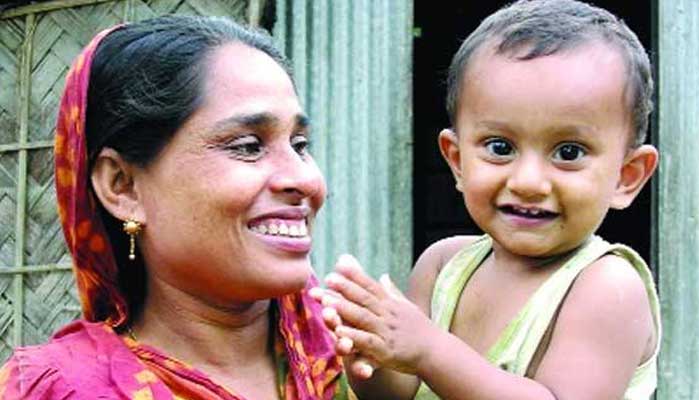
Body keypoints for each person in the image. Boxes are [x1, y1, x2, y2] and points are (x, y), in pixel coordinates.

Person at [313, 0, 661, 399]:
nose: (528, 182)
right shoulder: (443, 266)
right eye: (500, 147)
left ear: (626, 176)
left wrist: (428, 348)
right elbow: (397, 394)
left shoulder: (607, 288)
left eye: (568, 152)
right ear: (457, 161)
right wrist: (367, 346)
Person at [0, 15, 350, 400]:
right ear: (123, 187)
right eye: (248, 147)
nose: (305, 179)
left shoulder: (358, 360)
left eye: (300, 145)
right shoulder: (58, 390)